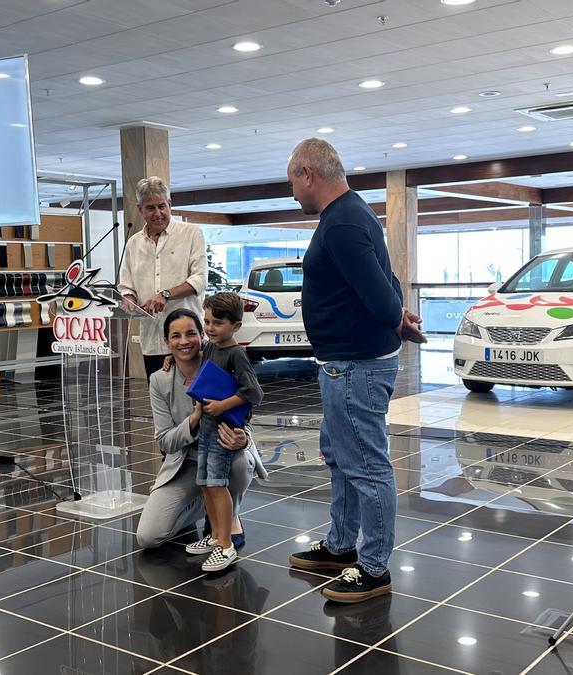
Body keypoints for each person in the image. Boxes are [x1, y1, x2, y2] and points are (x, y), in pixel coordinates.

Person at [285, 138, 426, 604]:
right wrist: (398, 318)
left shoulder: (342, 221)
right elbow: (386, 281)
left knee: (366, 465)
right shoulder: (353, 212)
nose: (293, 194)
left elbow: (383, 296)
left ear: (308, 173)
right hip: (347, 362)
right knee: (343, 459)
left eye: (293, 182)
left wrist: (394, 316)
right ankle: (342, 545)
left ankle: (373, 567)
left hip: (355, 367)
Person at [136, 308, 267, 551]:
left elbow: (244, 411)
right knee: (148, 537)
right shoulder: (160, 380)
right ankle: (210, 508)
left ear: (202, 337)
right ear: (166, 342)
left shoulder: (221, 366)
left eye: (190, 334)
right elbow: (164, 441)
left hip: (224, 454)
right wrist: (194, 418)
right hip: (184, 464)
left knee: (239, 463)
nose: (184, 342)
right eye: (175, 336)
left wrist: (244, 439)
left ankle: (229, 516)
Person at [184, 293, 263, 572]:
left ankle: (226, 543)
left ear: (236, 326)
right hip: (207, 426)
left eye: (217, 322)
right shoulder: (211, 347)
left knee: (218, 485)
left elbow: (253, 392)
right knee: (205, 483)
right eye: (207, 321)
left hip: (223, 429)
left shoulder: (236, 354)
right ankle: (215, 535)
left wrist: (222, 405)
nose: (210, 328)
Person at [117, 176, 208, 378]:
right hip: (151, 338)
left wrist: (165, 294)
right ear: (140, 209)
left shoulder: (191, 233)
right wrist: (129, 301)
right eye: (150, 208)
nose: (158, 213)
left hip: (186, 338)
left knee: (192, 399)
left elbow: (199, 280)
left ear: (170, 205)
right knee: (159, 400)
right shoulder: (133, 243)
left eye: (162, 206)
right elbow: (126, 287)